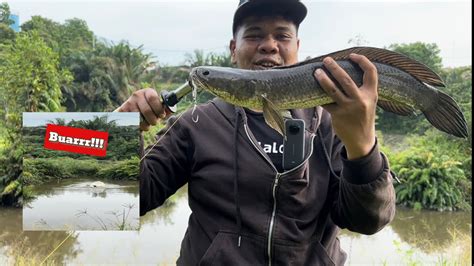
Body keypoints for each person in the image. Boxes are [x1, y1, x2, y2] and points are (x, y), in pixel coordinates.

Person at [116, 0, 396, 264]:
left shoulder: (333, 123)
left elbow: (368, 221)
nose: (269, 46)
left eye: (282, 36)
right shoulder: (196, 123)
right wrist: (115, 133)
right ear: (233, 48)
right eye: (254, 35)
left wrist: (362, 146)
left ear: (297, 46)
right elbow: (119, 203)